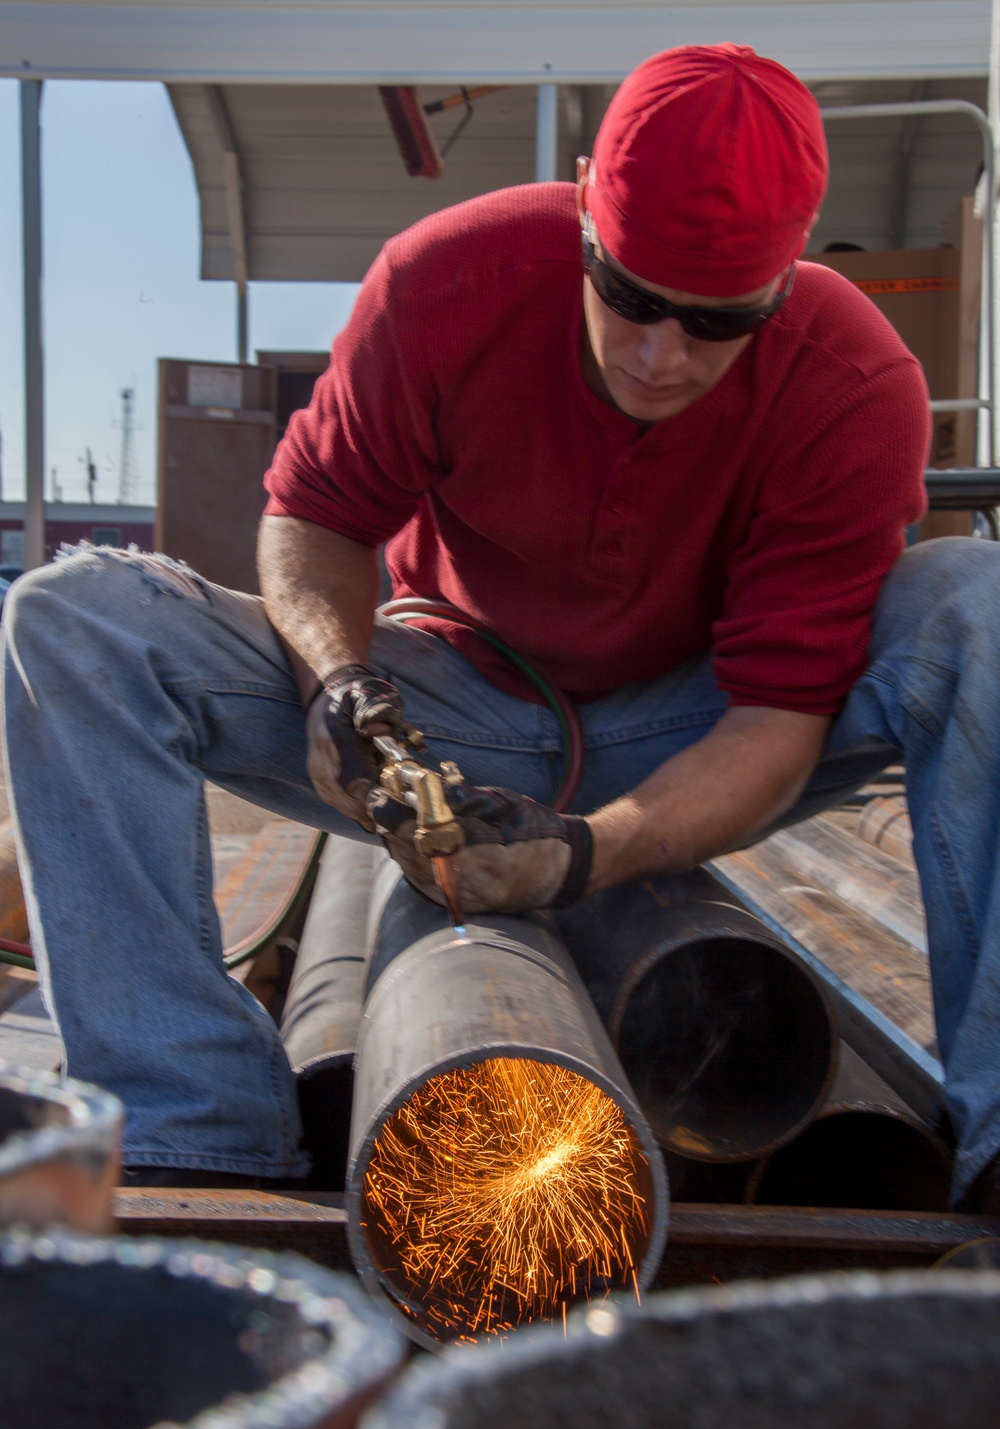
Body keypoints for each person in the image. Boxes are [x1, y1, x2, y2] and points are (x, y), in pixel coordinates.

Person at [5, 44, 999, 1210]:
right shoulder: (447, 282)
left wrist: (590, 853)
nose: (658, 356)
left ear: (786, 273)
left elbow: (779, 717)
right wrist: (339, 682)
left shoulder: (851, 383)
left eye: (714, 322)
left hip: (692, 733)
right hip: (436, 708)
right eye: (628, 295)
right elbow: (311, 518)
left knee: (974, 606)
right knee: (75, 618)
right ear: (586, 202)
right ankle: (199, 1127)